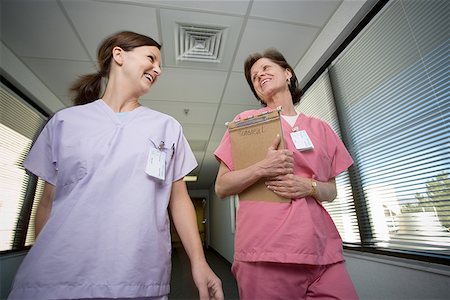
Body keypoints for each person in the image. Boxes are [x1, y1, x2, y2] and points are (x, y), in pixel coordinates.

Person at [8, 31, 223, 300]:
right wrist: (44, 258)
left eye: (159, 65)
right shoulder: (65, 122)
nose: (158, 69)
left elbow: (178, 201)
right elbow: (47, 201)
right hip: (56, 276)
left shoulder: (166, 127)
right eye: (151, 58)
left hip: (135, 276)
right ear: (118, 55)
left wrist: (199, 262)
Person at [214, 48, 358, 299]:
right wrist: (262, 168)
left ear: (288, 73)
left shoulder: (320, 127)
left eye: (266, 68)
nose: (259, 76)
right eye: (254, 77)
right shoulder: (247, 121)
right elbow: (222, 186)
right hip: (266, 250)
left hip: (321, 250)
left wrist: (309, 186)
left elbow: (331, 190)